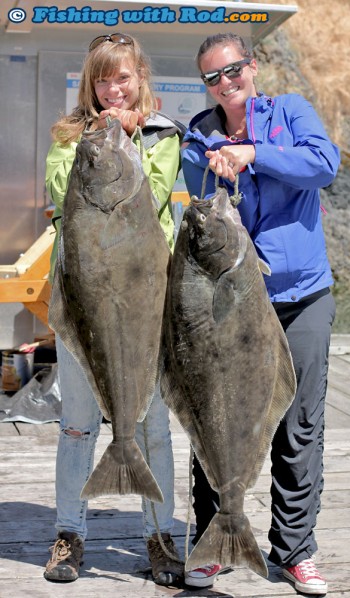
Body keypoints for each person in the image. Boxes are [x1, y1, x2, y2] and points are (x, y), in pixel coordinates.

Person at [181, 33, 340, 595]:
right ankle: (212, 538)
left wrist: (254, 154)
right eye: (213, 77)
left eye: (233, 70)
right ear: (205, 85)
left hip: (304, 299)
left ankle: (294, 551)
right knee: (217, 420)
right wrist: (218, 168)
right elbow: (200, 209)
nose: (226, 83)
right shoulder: (198, 138)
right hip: (232, 307)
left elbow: (323, 165)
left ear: (252, 67)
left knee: (299, 429)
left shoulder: (291, 112)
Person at [43, 32, 185, 586]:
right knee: (77, 427)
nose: (113, 88)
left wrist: (135, 144)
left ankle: (159, 536)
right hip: (83, 302)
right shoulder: (66, 135)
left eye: (122, 76)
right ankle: (69, 535)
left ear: (140, 77)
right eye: (103, 78)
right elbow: (63, 191)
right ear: (90, 82)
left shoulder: (162, 134)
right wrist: (96, 142)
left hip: (147, 305)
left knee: (153, 428)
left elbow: (150, 196)